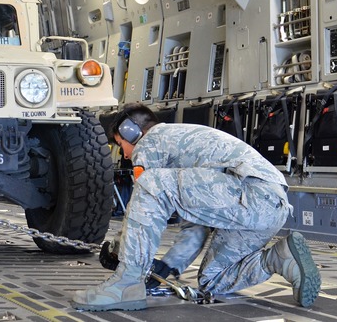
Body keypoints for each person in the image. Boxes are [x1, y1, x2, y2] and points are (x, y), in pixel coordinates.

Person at [71, 102, 320, 311]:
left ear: (132, 132)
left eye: (120, 144)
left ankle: (126, 284)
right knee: (212, 281)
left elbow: (147, 191)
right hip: (263, 207)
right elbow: (197, 223)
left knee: (149, 183)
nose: (124, 154)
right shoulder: (182, 149)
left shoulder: (152, 142)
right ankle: (279, 259)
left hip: (251, 194)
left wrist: (118, 249)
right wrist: (168, 266)